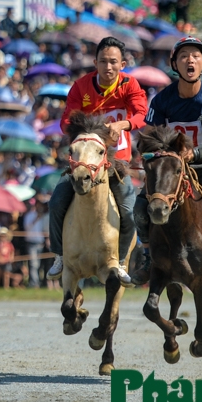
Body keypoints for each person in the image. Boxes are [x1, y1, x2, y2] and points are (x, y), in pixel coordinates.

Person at [130, 37, 202, 289]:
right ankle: (147, 258)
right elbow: (149, 139)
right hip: (170, 170)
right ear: (174, 64)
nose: (190, 60)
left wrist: (194, 155)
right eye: (184, 56)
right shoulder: (161, 100)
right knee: (139, 208)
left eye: (196, 56)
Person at [47, 36, 146, 285]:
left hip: (117, 164)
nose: (108, 67)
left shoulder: (130, 85)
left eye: (113, 62)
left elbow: (142, 114)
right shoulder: (80, 86)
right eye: (103, 61)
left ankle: (122, 261)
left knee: (129, 210)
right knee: (56, 202)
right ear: (95, 63)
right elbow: (65, 122)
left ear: (123, 64)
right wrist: (86, 131)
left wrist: (122, 125)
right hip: (85, 163)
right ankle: (60, 255)